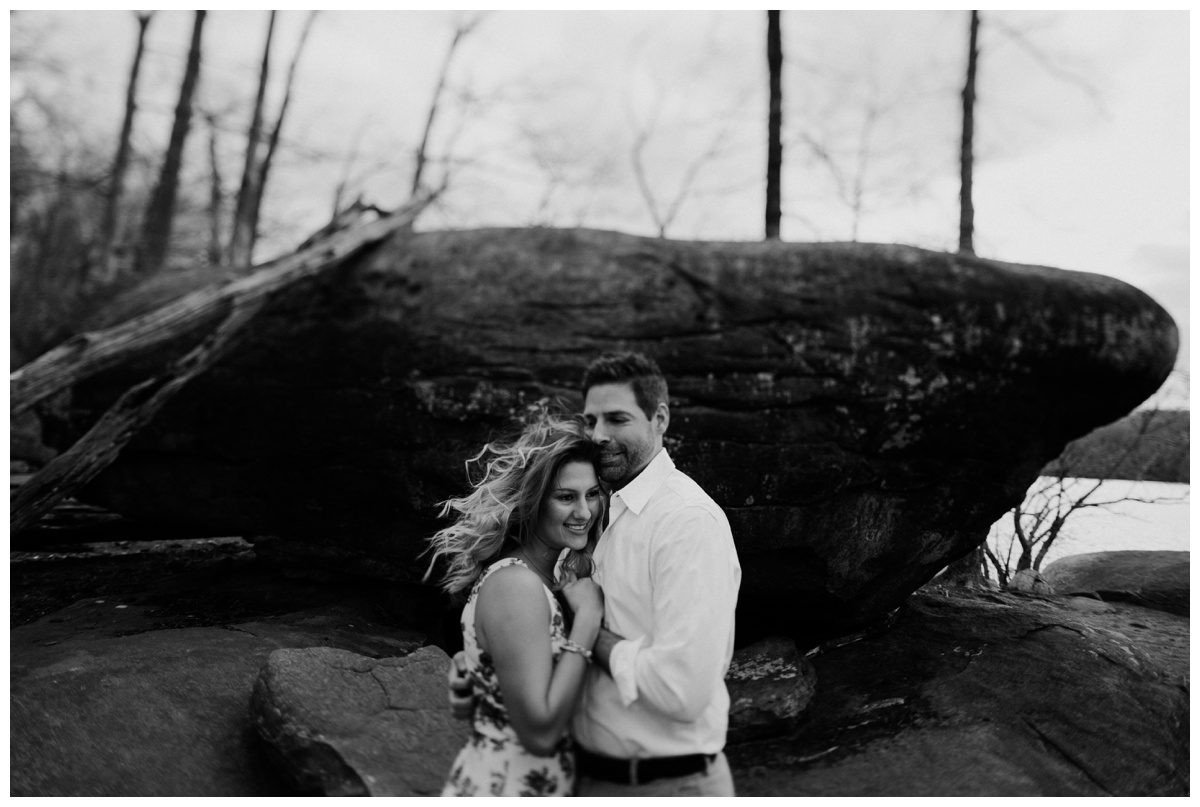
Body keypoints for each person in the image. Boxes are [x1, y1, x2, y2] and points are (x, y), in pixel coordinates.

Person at [450, 352, 742, 796]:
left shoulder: (686, 522)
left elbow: (682, 692)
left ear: (660, 419)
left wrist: (588, 628)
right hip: (585, 780)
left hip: (667, 785)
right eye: (591, 421)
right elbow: (524, 635)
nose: (600, 434)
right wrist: (484, 669)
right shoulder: (599, 521)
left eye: (617, 418)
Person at [426, 413, 607, 797]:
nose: (585, 512)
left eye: (592, 494)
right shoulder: (516, 585)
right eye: (566, 497)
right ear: (534, 502)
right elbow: (540, 735)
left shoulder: (547, 578)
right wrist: (588, 620)